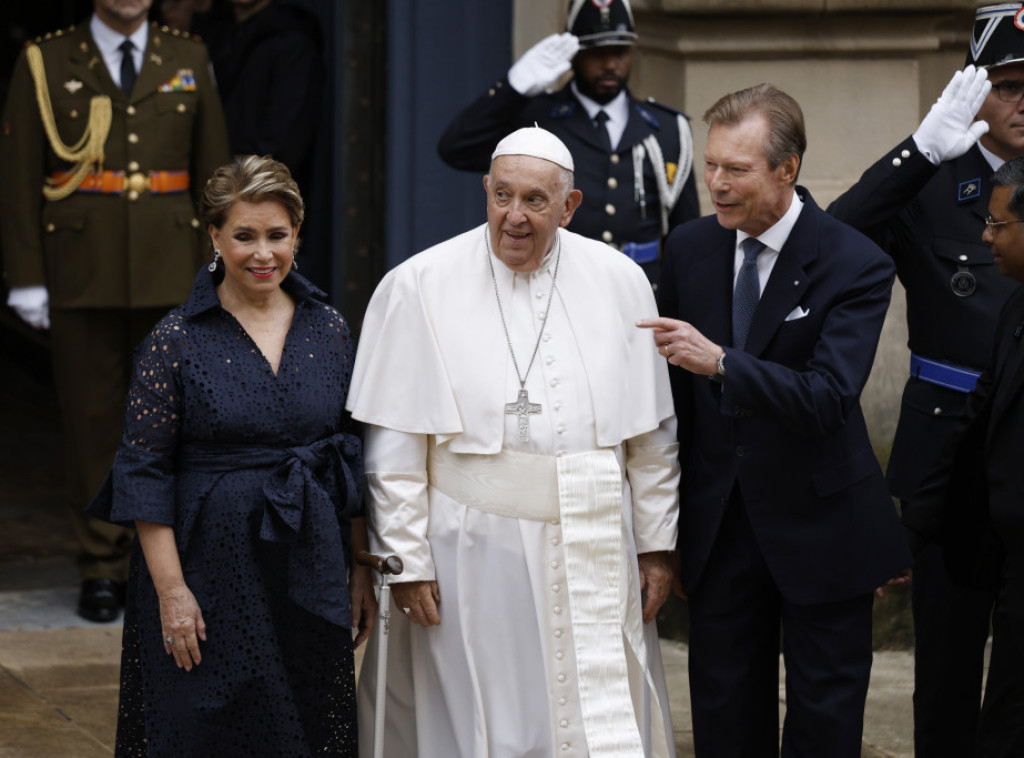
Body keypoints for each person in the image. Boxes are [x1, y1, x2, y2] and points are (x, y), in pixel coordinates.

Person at [347, 126, 680, 757]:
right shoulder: (419, 284)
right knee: (477, 712)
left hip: (595, 540)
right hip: (468, 554)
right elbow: (393, 447)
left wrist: (658, 545)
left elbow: (650, 437)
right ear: (485, 192)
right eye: (503, 196)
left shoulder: (620, 281)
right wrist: (406, 561)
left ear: (569, 205)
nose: (515, 217)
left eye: (534, 200)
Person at [639, 84, 911, 757]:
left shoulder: (856, 262)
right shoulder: (690, 249)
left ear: (787, 170)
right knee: (725, 715)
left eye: (737, 170)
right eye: (711, 166)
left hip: (823, 524)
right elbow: (672, 401)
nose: (717, 185)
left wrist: (723, 363)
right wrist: (660, 524)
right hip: (720, 524)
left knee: (824, 719)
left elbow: (827, 397)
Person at [87, 154, 374, 756]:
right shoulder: (175, 339)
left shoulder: (329, 328)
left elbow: (349, 455)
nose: (262, 253)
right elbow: (143, 473)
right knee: (207, 729)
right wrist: (171, 593)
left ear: (298, 233)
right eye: (244, 236)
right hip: (206, 570)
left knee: (304, 722)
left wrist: (358, 569)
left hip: (306, 562)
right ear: (214, 236)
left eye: (277, 235)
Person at [827, 6, 1024, 753]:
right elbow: (835, 242)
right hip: (951, 459)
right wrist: (917, 154)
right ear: (972, 92)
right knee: (945, 664)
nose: (1023, 102)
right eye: (1007, 85)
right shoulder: (934, 184)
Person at [0, 0, 229, 622]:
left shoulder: (188, 56)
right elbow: (19, 176)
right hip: (81, 268)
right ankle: (101, 566)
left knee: (174, 430)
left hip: (169, 267)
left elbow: (213, 173)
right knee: (93, 425)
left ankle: (166, 571)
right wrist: (26, 278)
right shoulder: (45, 60)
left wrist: (222, 265)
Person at [437, 0, 698, 285]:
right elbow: (457, 149)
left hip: (642, 288)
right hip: (558, 287)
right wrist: (512, 88)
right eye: (596, 53)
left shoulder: (667, 129)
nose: (610, 64)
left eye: (619, 52)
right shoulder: (538, 118)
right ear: (573, 54)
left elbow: (685, 234)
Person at [905, 154, 1024, 757]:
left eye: (998, 225)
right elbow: (972, 427)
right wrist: (910, 534)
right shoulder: (1015, 308)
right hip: (1003, 554)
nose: (984, 235)